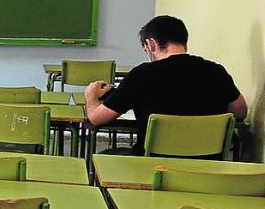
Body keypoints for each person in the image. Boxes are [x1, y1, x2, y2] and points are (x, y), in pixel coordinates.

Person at [84, 15, 248, 155]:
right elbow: (240, 111)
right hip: (207, 167)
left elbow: (97, 118)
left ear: (150, 45)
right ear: (184, 42)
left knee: (105, 156)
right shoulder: (216, 71)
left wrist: (91, 96)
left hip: (152, 165)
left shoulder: (141, 75)